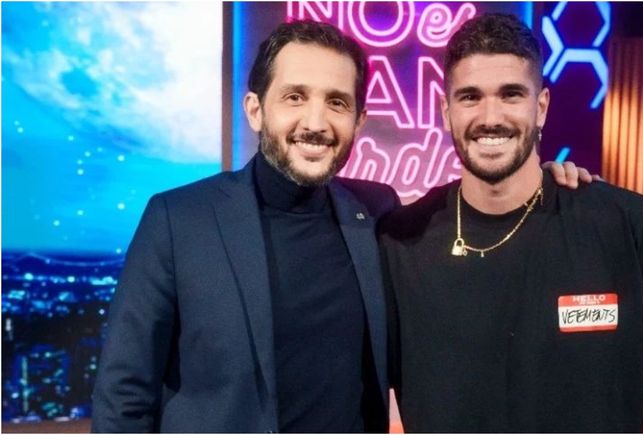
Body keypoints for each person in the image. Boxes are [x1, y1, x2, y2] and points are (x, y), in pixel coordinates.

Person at [91, 19, 589, 433]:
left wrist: (545, 178)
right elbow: (124, 394)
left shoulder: (378, 212)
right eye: (295, 97)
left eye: (336, 102)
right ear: (255, 110)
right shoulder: (179, 219)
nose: (316, 122)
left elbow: (479, 225)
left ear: (359, 121)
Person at [379, 13, 643, 433]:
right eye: (469, 97)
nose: (490, 116)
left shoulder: (631, 227)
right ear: (446, 111)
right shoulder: (399, 244)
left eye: (511, 94)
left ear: (541, 108)